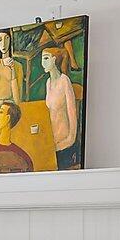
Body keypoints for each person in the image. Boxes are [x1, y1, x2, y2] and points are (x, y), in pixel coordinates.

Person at [39, 36, 81, 168]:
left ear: (54, 59)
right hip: (51, 141)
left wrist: (67, 142)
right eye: (42, 59)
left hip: (65, 144)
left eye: (46, 58)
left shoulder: (64, 81)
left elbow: (73, 116)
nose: (43, 63)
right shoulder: (48, 82)